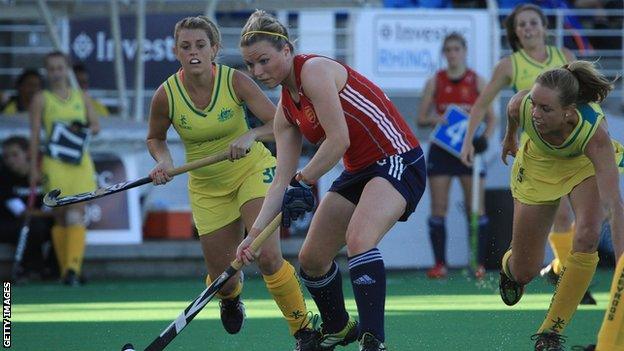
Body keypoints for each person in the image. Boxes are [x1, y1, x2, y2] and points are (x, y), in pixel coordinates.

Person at [235, 10, 426, 351]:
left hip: (396, 159)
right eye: (250, 65)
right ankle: (339, 327)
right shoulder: (285, 110)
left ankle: (373, 340)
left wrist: (304, 180)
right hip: (358, 171)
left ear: (286, 51)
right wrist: (252, 237)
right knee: (312, 259)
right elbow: (280, 181)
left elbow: (338, 141)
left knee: (359, 239)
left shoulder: (315, 72)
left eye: (264, 61)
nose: (258, 72)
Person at [146, 16, 316, 350]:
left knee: (267, 255)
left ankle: (304, 331)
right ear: (175, 51)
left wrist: (251, 134)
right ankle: (231, 296)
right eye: (185, 46)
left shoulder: (235, 81)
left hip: (251, 172)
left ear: (214, 49)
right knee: (224, 279)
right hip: (207, 188)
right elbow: (155, 138)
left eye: (200, 45)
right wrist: (164, 161)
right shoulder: (166, 95)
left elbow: (282, 124)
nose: (193, 52)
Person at [461, 3, 597, 303]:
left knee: (578, 218)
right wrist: (468, 140)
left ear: (544, 27)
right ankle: (550, 272)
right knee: (550, 230)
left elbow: (585, 100)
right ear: (515, 33)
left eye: (533, 22)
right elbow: (482, 104)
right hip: (536, 156)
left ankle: (563, 272)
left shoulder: (565, 57)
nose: (528, 28)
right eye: (521, 25)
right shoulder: (511, 65)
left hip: (571, 152)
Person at [492, 61, 623, 350]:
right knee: (524, 270)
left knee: (588, 234)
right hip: (538, 165)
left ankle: (550, 332)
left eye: (545, 109)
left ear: (569, 112)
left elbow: (614, 205)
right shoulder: (522, 106)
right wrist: (510, 136)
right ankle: (510, 267)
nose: (535, 113)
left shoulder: (594, 136)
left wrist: (622, 264)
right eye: (534, 105)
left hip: (581, 165)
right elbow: (513, 111)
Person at [416, 32, 496, 279]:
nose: (452, 54)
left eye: (456, 49)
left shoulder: (477, 81)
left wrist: (484, 140)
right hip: (441, 150)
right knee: (439, 207)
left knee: (476, 208)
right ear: (444, 53)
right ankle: (440, 264)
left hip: (468, 151)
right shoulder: (436, 82)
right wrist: (437, 119)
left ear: (464, 51)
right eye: (448, 50)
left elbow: (492, 117)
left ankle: (477, 264)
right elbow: (420, 119)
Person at [28, 51, 99, 286]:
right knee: (60, 217)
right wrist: (33, 168)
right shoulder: (41, 98)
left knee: (75, 213)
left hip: (78, 162)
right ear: (47, 72)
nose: (57, 73)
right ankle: (66, 271)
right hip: (54, 162)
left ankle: (72, 270)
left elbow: (96, 126)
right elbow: (35, 135)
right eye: (52, 69)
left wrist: (80, 128)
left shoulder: (82, 97)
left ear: (67, 69)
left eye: (60, 68)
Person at [0, 136, 57, 281]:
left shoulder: (46, 173)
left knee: (61, 225)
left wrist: (56, 213)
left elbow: (52, 205)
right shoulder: (3, 176)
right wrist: (54, 213)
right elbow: (21, 212)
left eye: (15, 155)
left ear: (28, 154)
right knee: (34, 226)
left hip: (41, 221)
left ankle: (54, 269)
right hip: (9, 224)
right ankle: (31, 269)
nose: (10, 161)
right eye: (6, 156)